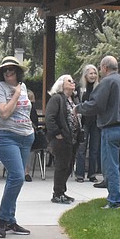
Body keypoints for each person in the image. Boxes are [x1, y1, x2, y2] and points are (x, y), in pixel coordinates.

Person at [77, 55, 120, 210]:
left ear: (104, 67)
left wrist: (78, 108)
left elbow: (96, 105)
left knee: (111, 166)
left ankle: (114, 200)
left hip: (112, 128)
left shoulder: (107, 82)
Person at [0, 56, 33, 236]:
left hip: (25, 137)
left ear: (18, 72)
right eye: (5, 70)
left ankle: (10, 220)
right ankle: (1, 219)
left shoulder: (24, 88)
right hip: (6, 136)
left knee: (14, 180)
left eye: (12, 70)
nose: (8, 72)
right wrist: (16, 93)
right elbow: (5, 113)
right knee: (17, 177)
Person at [45, 74, 81, 204]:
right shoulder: (57, 99)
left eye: (73, 80)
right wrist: (57, 133)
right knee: (61, 166)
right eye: (69, 81)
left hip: (73, 139)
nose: (73, 82)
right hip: (61, 139)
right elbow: (50, 118)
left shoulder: (73, 99)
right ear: (61, 84)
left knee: (69, 166)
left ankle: (62, 191)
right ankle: (57, 194)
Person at [74, 64, 100, 183]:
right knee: (82, 148)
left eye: (95, 73)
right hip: (84, 122)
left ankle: (92, 174)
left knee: (94, 149)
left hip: (96, 121)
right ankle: (79, 174)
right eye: (91, 73)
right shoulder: (80, 89)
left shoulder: (99, 88)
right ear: (85, 75)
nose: (93, 75)